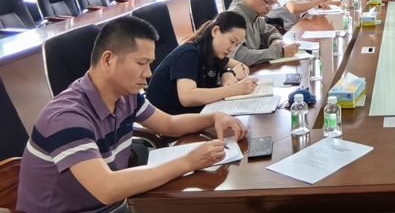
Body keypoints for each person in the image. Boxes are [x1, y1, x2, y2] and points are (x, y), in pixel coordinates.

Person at [17, 17, 246, 213]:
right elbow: (107, 188)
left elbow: (169, 124)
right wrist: (187, 162)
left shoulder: (126, 96)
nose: (148, 73)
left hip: (118, 204)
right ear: (108, 59)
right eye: (141, 63)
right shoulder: (66, 117)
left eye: (150, 64)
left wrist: (214, 117)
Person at [146, 12, 258, 115]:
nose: (232, 49)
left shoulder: (214, 53)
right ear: (215, 31)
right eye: (232, 41)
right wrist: (234, 90)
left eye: (236, 44)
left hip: (192, 114)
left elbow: (243, 67)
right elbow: (187, 97)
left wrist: (228, 72)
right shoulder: (188, 54)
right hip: (166, 120)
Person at [228, 0, 301, 66]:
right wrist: (280, 52)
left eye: (273, 4)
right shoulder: (234, 17)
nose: (270, 8)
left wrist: (276, 41)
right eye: (268, 3)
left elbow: (270, 31)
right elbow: (239, 56)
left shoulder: (253, 13)